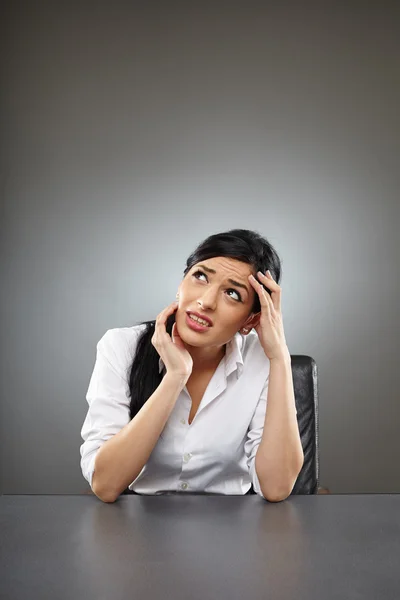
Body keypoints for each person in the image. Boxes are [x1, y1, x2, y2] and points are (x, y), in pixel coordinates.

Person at [80, 228, 304, 503]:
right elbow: (105, 484)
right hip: (136, 526)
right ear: (181, 282)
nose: (206, 302)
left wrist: (280, 356)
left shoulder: (263, 359)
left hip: (232, 528)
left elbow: (277, 487)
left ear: (250, 320)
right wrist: (175, 376)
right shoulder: (120, 347)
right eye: (200, 276)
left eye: (233, 293)